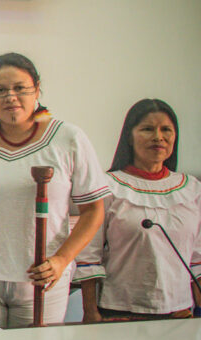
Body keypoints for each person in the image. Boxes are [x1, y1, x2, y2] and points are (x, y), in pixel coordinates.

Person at [0, 53, 108, 328]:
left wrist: (62, 260)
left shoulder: (68, 138)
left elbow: (94, 210)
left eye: (20, 88)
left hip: (42, 280)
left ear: (36, 88)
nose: (10, 97)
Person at [76, 99, 201, 321]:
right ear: (129, 138)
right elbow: (89, 256)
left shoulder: (192, 189)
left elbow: (198, 259)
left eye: (166, 130)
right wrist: (91, 312)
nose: (158, 137)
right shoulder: (107, 186)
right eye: (147, 129)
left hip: (180, 314)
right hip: (121, 312)